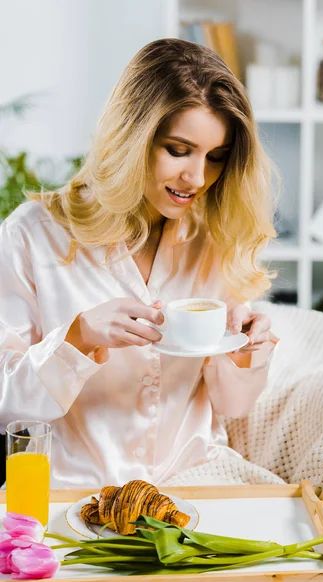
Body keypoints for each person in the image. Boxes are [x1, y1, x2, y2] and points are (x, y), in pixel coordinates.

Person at [0, 38, 279, 489]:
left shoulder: (215, 238)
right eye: (177, 149)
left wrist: (248, 356)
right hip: (73, 496)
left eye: (216, 157)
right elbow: (5, 403)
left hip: (196, 489)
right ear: (132, 137)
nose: (196, 178)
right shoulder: (33, 235)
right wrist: (78, 337)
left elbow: (232, 406)